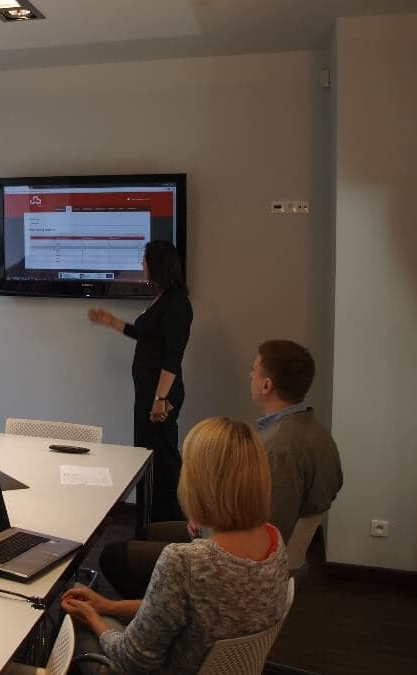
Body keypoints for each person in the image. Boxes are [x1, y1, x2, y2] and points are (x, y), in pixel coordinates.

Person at [99, 339, 343, 599]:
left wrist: (209, 527)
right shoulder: (313, 430)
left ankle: (167, 608)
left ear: (266, 385)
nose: (250, 375)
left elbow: (266, 531)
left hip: (233, 562)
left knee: (113, 556)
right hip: (234, 534)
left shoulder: (282, 448)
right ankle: (164, 597)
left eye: (254, 370)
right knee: (149, 532)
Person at [62, 417, 289, 673]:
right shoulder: (274, 539)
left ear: (199, 483)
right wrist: (108, 606)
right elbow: (170, 610)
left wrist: (92, 618)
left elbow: (132, 659)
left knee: (66, 614)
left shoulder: (183, 562)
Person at [88, 240, 192, 521]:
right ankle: (148, 523)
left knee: (164, 461)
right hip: (148, 394)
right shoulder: (163, 298)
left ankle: (171, 524)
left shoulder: (177, 303)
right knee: (147, 457)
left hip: (161, 397)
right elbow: (145, 335)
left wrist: (160, 398)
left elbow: (173, 356)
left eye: (144, 261)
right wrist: (111, 321)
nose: (142, 265)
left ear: (157, 265)